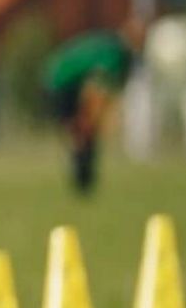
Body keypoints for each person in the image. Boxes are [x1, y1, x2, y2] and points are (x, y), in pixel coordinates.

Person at [44, 21, 139, 195]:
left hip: (61, 78)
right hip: (60, 83)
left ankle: (83, 178)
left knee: (83, 132)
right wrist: (92, 118)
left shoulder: (111, 45)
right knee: (81, 132)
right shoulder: (116, 54)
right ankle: (82, 178)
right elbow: (98, 91)